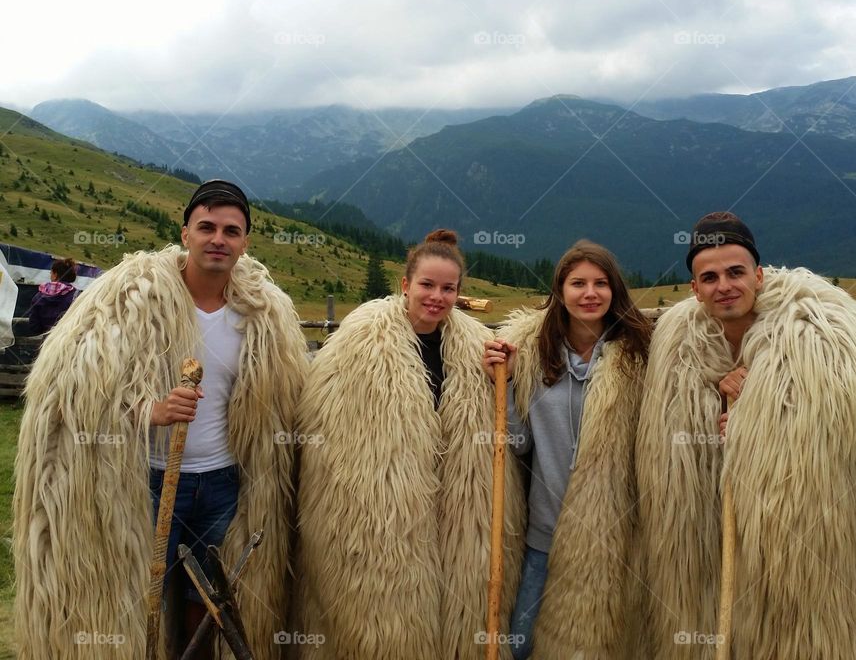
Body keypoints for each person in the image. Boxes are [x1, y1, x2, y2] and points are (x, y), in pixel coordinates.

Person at [631, 211, 856, 659]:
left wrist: (756, 420)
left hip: (815, 547)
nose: (724, 285)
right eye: (709, 277)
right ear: (694, 288)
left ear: (759, 275)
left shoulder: (821, 335)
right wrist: (718, 405)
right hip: (713, 551)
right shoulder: (678, 345)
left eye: (735, 272)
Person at [14, 179, 307, 660]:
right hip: (148, 481)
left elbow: (290, 396)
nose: (219, 239)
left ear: (245, 242)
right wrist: (149, 411)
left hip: (222, 484)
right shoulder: (132, 304)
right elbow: (73, 387)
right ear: (185, 232)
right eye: (207, 227)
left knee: (207, 602)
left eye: (231, 231)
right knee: (140, 599)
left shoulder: (261, 314)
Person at [292, 229, 526, 659]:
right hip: (377, 523)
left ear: (460, 292)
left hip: (458, 521)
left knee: (459, 624)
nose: (437, 296)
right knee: (382, 631)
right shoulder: (361, 344)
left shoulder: (477, 347)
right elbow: (329, 433)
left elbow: (505, 435)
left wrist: (505, 379)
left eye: (448, 288)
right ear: (405, 285)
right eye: (427, 285)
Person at [483, 240, 652, 659]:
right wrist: (501, 386)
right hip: (545, 529)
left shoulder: (640, 357)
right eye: (578, 283)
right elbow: (518, 443)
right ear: (559, 291)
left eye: (600, 283)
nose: (590, 293)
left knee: (603, 644)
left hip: (613, 534)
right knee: (521, 644)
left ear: (615, 290)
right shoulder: (534, 356)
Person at [25, 256, 78, 334]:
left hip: (45, 340)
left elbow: (34, 325)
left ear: (55, 274)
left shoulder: (39, 295)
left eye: (51, 272)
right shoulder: (76, 296)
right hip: (66, 339)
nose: (50, 275)